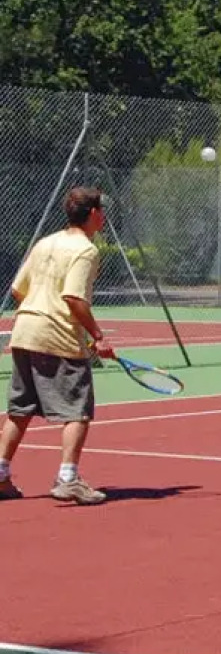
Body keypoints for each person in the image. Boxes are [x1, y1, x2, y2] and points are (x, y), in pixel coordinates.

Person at [0, 186, 116, 504]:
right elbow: (74, 297)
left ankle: (0, 474)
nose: (104, 216)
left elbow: (19, 290)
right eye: (102, 210)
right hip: (57, 338)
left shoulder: (45, 243)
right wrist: (98, 336)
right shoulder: (86, 250)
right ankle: (68, 479)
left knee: (20, 410)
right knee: (78, 410)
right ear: (93, 213)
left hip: (25, 333)